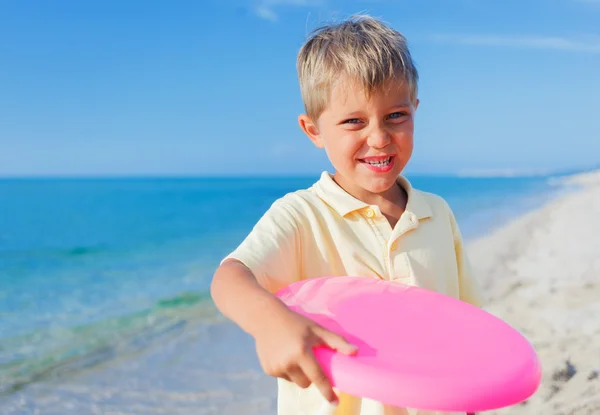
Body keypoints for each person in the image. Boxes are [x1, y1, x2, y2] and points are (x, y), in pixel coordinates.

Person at [210, 14, 484, 415]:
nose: (378, 137)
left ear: (415, 110)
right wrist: (270, 322)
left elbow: (467, 325)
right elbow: (230, 279)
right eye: (354, 121)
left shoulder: (436, 214)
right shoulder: (302, 216)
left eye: (396, 116)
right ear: (314, 130)